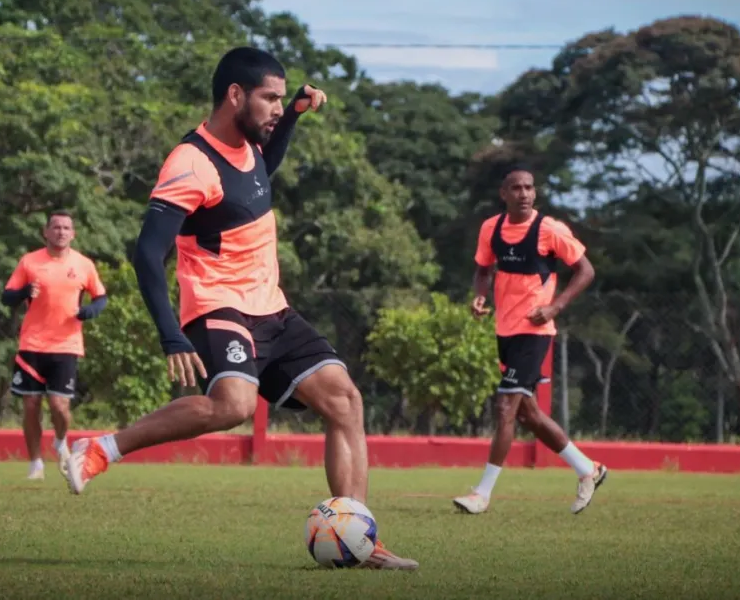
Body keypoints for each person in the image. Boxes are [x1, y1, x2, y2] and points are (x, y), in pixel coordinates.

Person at [63, 46, 418, 571]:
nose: (276, 106)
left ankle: (359, 539)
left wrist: (293, 113)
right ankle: (101, 449)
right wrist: (171, 335)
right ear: (235, 96)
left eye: (280, 98)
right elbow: (146, 252)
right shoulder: (190, 163)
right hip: (218, 306)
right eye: (269, 98)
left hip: (271, 308)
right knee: (233, 406)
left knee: (345, 401)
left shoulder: (252, 147)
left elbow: (260, 175)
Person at [452, 163, 607, 516]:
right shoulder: (491, 228)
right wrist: (480, 295)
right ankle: (588, 470)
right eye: (516, 188)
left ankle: (482, 493)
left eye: (529, 188)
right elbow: (482, 268)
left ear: (535, 193)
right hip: (504, 331)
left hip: (535, 331)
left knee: (506, 406)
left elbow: (586, 270)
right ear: (504, 194)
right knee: (528, 415)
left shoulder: (549, 230)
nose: (524, 194)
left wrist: (555, 308)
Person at [2, 211, 108, 481]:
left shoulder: (83, 264)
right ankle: (35, 462)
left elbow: (101, 298)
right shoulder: (30, 262)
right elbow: (7, 296)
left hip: (67, 345)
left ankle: (60, 440)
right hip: (32, 345)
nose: (61, 232)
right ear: (46, 232)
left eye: (66, 228)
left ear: (73, 234)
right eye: (56, 227)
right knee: (30, 405)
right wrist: (25, 292)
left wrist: (90, 311)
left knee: (60, 407)